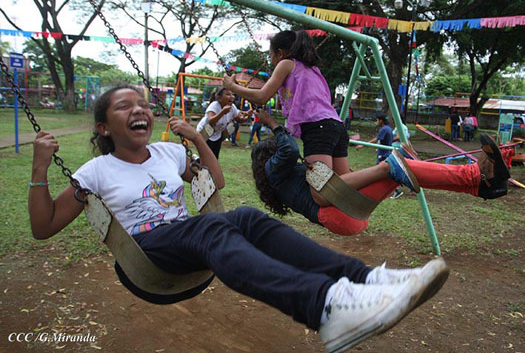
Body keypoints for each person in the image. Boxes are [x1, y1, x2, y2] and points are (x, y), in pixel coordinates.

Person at [28, 84, 449, 352]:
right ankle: (325, 308)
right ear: (104, 127)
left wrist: (196, 138)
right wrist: (40, 170)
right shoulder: (95, 173)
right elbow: (43, 228)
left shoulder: (170, 153)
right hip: (146, 253)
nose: (139, 109)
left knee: (245, 216)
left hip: (185, 236)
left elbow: (216, 181)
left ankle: (364, 280)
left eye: (142, 103)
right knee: (212, 226)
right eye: (124, 107)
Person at [251, 110, 511, 236]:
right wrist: (273, 124)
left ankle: (478, 185)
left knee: (397, 169)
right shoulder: (273, 169)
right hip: (337, 213)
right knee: (391, 166)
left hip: (347, 215)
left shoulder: (283, 178)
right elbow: (288, 148)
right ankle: (474, 177)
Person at [223, 30, 350, 179]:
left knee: (322, 187)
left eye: (270, 55)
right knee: (342, 181)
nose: (271, 60)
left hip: (318, 127)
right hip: (336, 125)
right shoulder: (311, 68)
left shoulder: (286, 64)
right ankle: (375, 176)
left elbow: (262, 97)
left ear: (280, 53)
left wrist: (231, 86)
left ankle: (380, 172)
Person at [196, 86, 251, 158]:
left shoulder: (232, 107)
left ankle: (209, 167)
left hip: (217, 134)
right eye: (228, 94)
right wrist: (222, 112)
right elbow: (211, 121)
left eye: (232, 94)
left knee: (215, 157)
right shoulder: (214, 106)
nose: (232, 97)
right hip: (205, 132)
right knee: (206, 157)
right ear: (219, 98)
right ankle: (198, 163)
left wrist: (248, 117)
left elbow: (238, 120)